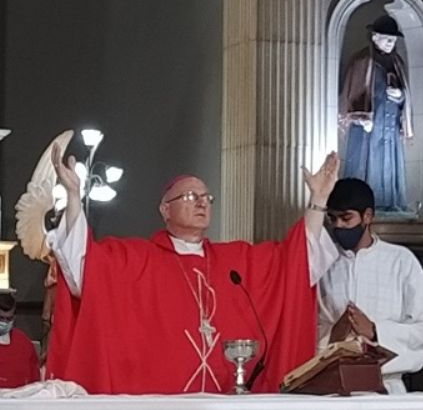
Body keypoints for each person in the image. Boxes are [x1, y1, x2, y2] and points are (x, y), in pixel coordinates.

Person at [45, 145, 341, 394]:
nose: (202, 203)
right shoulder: (136, 260)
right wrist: (74, 199)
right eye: (190, 197)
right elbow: (85, 268)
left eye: (206, 198)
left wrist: (318, 201)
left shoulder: (236, 262)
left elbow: (295, 265)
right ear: (165, 210)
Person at [316, 178, 423, 393]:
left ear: (367, 216)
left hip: (386, 388)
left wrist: (376, 331)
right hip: (332, 390)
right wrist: (333, 335)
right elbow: (304, 329)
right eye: (333, 218)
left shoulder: (400, 261)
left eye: (346, 218)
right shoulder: (323, 263)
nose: (338, 225)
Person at [339, 14, 413, 213]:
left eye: (393, 40)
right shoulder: (362, 61)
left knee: (390, 166)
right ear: (374, 37)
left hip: (390, 129)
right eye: (387, 38)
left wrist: (400, 95)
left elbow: (405, 94)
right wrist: (361, 118)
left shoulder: (397, 63)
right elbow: (351, 93)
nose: (390, 43)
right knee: (368, 165)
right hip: (368, 130)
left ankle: (391, 204)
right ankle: (365, 206)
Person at [0, 292, 40, 388]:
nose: (4, 322)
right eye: (1, 318)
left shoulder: (23, 343)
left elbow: (35, 381)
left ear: (14, 317)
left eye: (8, 319)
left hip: (20, 395)